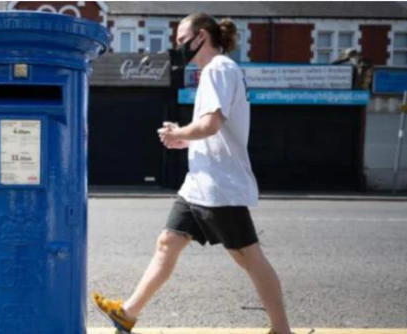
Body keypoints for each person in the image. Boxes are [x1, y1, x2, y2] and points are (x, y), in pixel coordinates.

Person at [93, 13, 292, 334]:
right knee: (167, 242)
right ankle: (127, 313)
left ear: (201, 36)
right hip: (200, 183)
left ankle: (282, 329)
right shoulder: (215, 72)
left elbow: (211, 124)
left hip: (219, 186)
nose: (177, 46)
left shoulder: (218, 70)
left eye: (181, 39)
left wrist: (180, 133)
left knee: (248, 257)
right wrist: (184, 139)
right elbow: (216, 132)